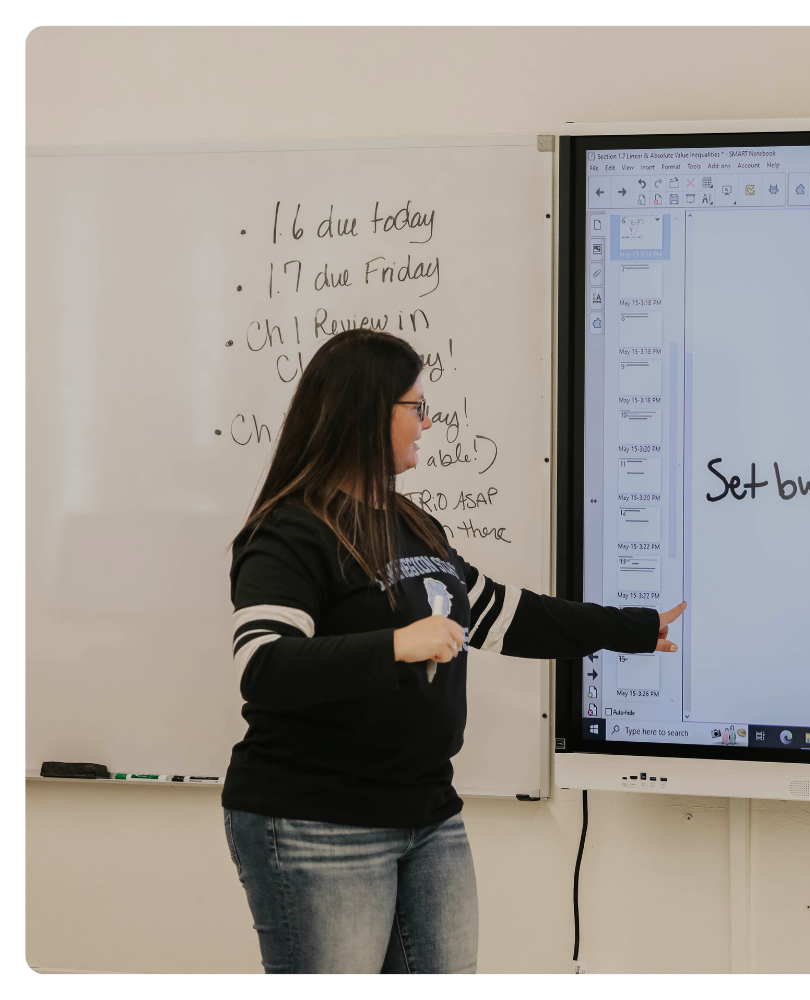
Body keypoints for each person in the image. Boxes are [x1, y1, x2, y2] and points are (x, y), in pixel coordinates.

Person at [222, 328, 686, 974]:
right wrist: (395, 645)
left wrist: (631, 630)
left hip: (427, 815)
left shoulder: (413, 524)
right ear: (366, 414)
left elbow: (504, 614)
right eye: (415, 407)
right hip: (317, 821)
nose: (428, 422)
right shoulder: (291, 529)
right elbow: (263, 667)